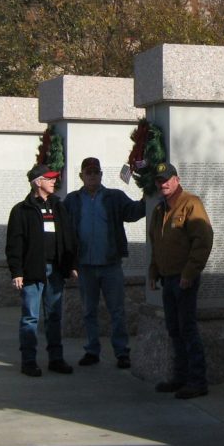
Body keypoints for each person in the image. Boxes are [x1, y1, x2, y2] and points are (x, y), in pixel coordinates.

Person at [63, 156, 146, 369]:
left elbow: (134, 212)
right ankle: (92, 350)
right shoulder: (72, 200)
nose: (92, 176)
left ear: (101, 175)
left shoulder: (114, 197)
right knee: (89, 310)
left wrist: (148, 192)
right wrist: (69, 263)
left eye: (95, 172)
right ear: (81, 176)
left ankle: (121, 352)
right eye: (88, 173)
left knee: (117, 310)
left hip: (110, 264)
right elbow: (63, 231)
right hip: (84, 266)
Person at [147, 162, 214, 399]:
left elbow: (203, 241)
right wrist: (154, 272)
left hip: (184, 279)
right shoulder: (158, 210)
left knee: (187, 328)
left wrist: (189, 273)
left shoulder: (190, 203)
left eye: (167, 179)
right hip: (167, 278)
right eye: (159, 180)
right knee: (174, 329)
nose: (163, 183)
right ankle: (180, 376)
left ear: (176, 179)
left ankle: (197, 381)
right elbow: (156, 244)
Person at [6, 164, 77, 377]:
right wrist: (17, 271)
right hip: (32, 271)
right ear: (38, 182)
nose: (54, 181)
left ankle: (56, 358)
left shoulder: (58, 206)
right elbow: (14, 243)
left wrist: (72, 264)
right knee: (30, 317)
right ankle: (28, 361)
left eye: (54, 178)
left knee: (54, 315)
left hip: (56, 269)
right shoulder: (21, 210)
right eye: (50, 178)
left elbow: (69, 237)